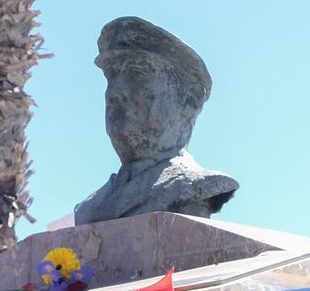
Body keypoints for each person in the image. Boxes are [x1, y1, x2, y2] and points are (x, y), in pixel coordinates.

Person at [72, 17, 237, 224]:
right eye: (111, 77)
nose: (115, 91)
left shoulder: (194, 186)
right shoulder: (90, 208)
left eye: (136, 74)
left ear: (190, 100)